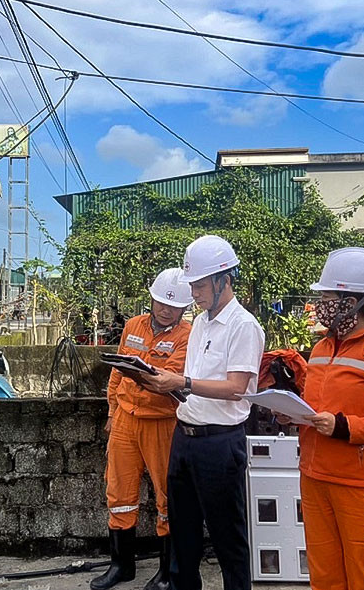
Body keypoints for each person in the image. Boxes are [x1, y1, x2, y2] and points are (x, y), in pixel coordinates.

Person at [282, 247, 364, 590]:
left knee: (363, 582)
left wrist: (343, 427)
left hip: (361, 489)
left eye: (326, 296)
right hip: (314, 478)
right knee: (324, 580)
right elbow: (317, 410)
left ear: (352, 301)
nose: (320, 304)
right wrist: (291, 416)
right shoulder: (323, 347)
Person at [140, 235, 265, 590]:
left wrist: (182, 381)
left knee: (228, 539)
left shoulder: (243, 326)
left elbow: (237, 388)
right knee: (184, 536)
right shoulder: (201, 325)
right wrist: (161, 382)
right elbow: (193, 382)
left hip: (219, 444)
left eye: (198, 285)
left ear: (223, 279)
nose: (192, 292)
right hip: (186, 437)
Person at [92, 268, 194, 590]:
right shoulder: (133, 325)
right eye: (161, 302)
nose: (165, 309)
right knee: (118, 491)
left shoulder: (187, 335)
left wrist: (146, 373)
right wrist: (112, 410)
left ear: (184, 308)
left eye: (173, 305)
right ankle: (122, 566)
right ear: (151, 298)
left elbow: (170, 376)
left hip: (162, 423)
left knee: (168, 496)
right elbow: (117, 373)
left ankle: (167, 572)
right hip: (124, 418)